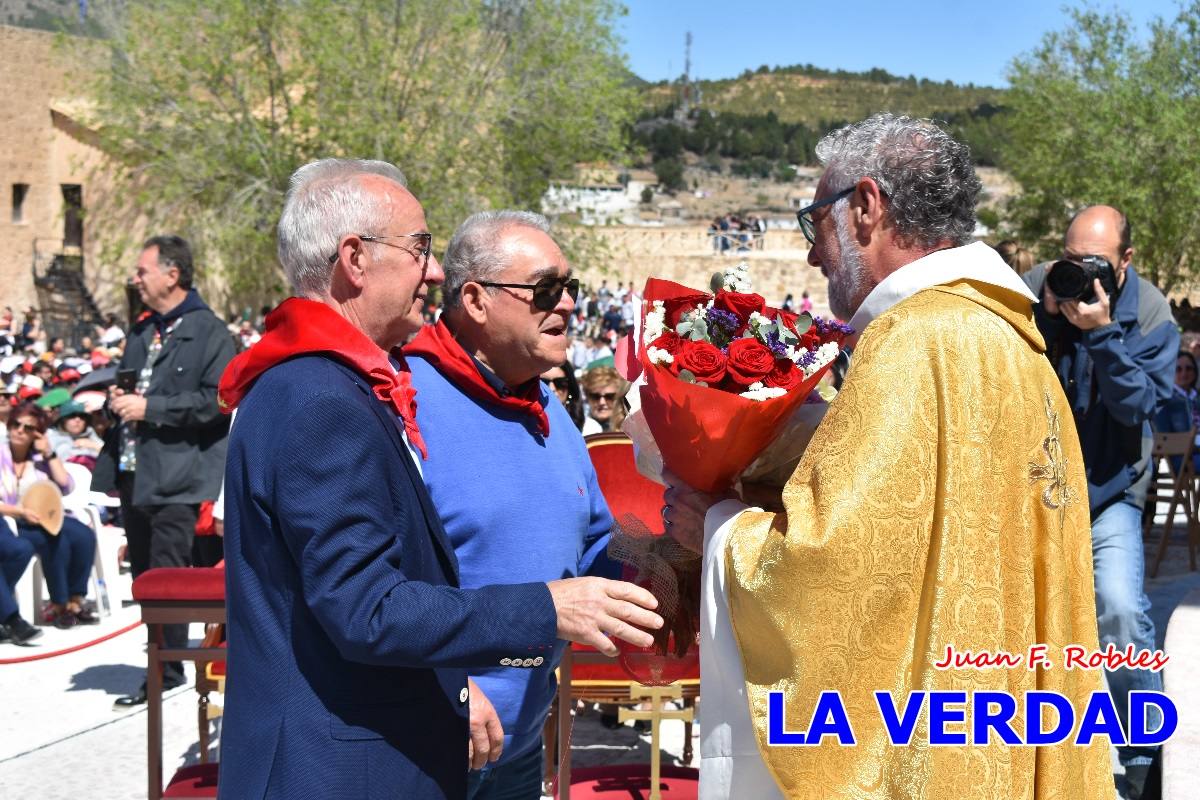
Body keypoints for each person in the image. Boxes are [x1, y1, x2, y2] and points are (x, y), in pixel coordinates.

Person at [665, 114, 1111, 799]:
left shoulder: (913, 342)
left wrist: (716, 520)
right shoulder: (1016, 343)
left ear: (866, 207)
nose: (815, 256)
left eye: (815, 220)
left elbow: (831, 570)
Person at [217, 159, 662, 800]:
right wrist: (518, 629)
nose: (433, 271)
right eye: (420, 248)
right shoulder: (325, 399)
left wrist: (678, 544)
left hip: (469, 740)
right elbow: (366, 606)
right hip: (353, 765)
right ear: (355, 258)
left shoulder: (358, 389)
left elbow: (590, 544)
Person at [405, 210, 624, 797]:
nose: (570, 306)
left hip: (520, 746)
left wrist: (683, 543)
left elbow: (593, 545)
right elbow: (370, 590)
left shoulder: (549, 409)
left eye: (570, 288)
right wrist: (448, 685)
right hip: (424, 746)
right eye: (546, 290)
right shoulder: (401, 401)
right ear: (475, 300)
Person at [1023, 205, 1176, 789]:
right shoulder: (1037, 291)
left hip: (1112, 489)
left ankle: (1140, 762)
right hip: (1036, 488)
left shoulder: (1151, 313)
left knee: (1116, 608)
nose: (1080, 273)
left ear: (1126, 261)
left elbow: (1138, 408)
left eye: (1097, 262)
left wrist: (1102, 332)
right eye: (1071, 258)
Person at [92, 235, 237, 707]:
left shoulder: (210, 332)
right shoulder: (140, 331)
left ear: (172, 275)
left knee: (167, 573)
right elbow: (127, 384)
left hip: (178, 476)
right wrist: (118, 402)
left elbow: (217, 400)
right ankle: (161, 658)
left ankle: (167, 668)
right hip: (133, 471)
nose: (135, 278)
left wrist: (151, 407)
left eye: (142, 270)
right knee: (145, 574)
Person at [1, 402, 97, 629]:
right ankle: (59, 604)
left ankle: (75, 599)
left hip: (45, 516)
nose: (20, 431)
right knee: (56, 541)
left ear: (37, 432)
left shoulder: (39, 459)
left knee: (84, 535)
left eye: (27, 427)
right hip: (13, 519)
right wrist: (20, 511)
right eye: (16, 424)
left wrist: (49, 453)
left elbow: (65, 485)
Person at [580, 365, 626, 435]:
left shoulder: (629, 429)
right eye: (595, 396)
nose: (602, 402)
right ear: (587, 396)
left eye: (609, 396)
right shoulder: (580, 428)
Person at [542, 361, 585, 431]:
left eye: (560, 383)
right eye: (543, 382)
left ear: (570, 387)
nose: (551, 388)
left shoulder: (590, 427)